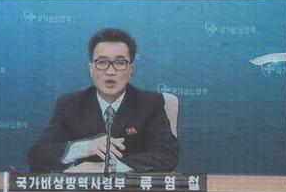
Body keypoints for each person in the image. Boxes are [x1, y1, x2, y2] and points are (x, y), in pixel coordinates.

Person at [27, 28, 179, 173]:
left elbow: (167, 155)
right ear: (91, 68)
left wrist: (110, 167)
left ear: (131, 69)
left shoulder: (150, 104)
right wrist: (85, 147)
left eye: (120, 63)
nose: (110, 72)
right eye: (102, 62)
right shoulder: (69, 104)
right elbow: (37, 155)